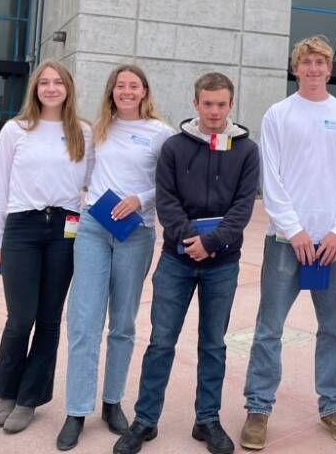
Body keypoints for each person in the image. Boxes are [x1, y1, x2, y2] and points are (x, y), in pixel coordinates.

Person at [114, 72, 260, 454]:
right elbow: (167, 200)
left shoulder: (246, 150)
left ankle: (207, 420)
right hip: (176, 262)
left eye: (222, 104)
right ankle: (145, 420)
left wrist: (211, 243)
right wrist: (187, 240)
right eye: (207, 103)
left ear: (231, 105)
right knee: (161, 342)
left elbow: (243, 207)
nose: (214, 111)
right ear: (196, 104)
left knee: (213, 345)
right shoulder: (175, 148)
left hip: (223, 263)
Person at [240, 36, 336, 450]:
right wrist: (293, 229)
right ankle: (258, 407)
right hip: (285, 242)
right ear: (296, 69)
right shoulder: (279, 114)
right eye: (306, 62)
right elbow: (270, 177)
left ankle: (333, 406)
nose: (313, 69)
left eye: (320, 63)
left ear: (330, 69)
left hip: (332, 245)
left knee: (334, 329)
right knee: (269, 328)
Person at [56, 65, 173, 451]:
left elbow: (168, 183)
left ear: (144, 92)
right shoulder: (97, 130)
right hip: (93, 227)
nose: (126, 91)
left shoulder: (160, 133)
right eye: (120, 85)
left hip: (136, 231)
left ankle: (112, 402)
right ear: (112, 91)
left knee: (122, 322)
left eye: (133, 86)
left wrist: (140, 198)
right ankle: (76, 410)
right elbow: (82, 174)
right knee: (84, 319)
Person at [0, 60, 93, 435]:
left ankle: (30, 398)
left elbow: (94, 183)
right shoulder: (16, 130)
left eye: (58, 82)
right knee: (20, 318)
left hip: (65, 228)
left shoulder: (82, 132)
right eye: (44, 82)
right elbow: (0, 186)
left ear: (68, 88)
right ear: (35, 88)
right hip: (22, 227)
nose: (51, 88)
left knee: (49, 320)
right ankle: (6, 390)